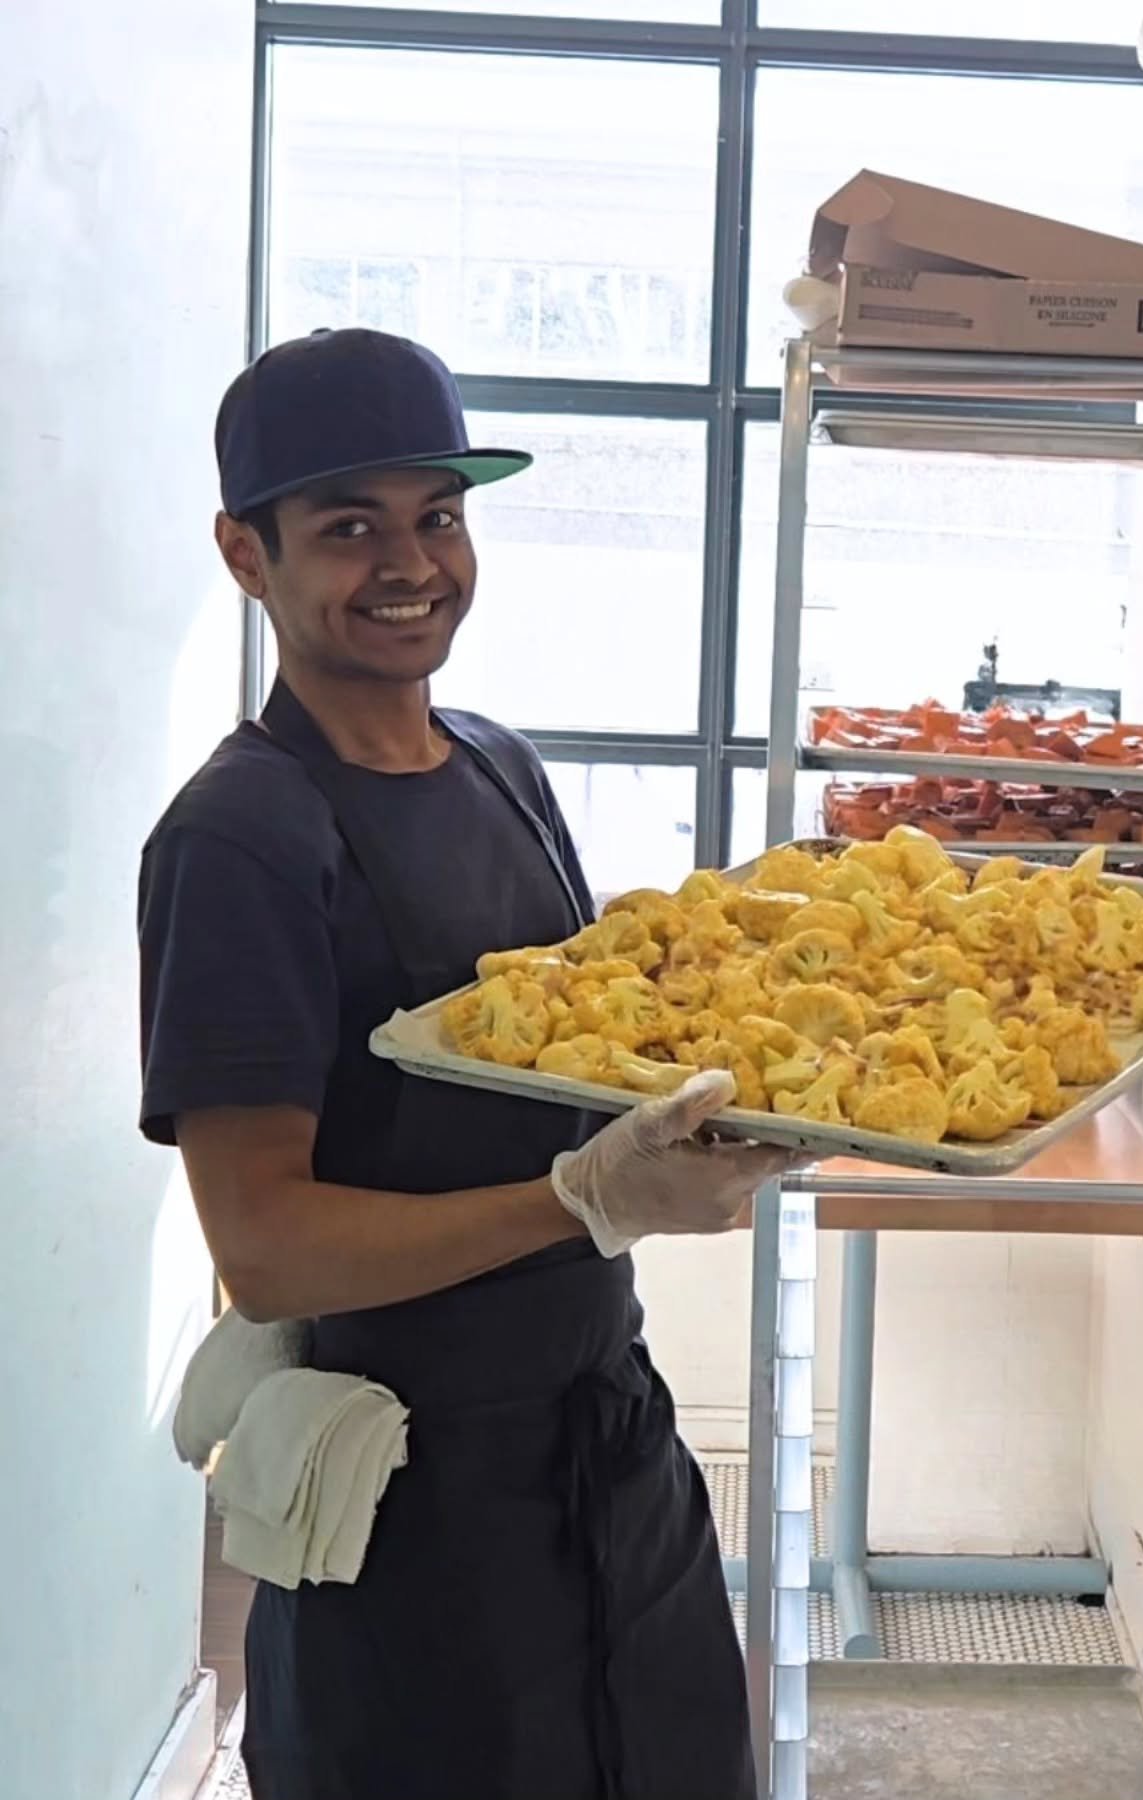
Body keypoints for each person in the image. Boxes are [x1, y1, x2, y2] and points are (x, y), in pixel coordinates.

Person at [137, 327, 789, 1800]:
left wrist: (717, 1082)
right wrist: (587, 1203)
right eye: (347, 525)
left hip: (613, 1451)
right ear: (248, 554)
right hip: (405, 1502)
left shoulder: (502, 765)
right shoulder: (239, 839)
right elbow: (268, 1249)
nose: (408, 562)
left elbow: (556, 1074)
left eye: (437, 515)